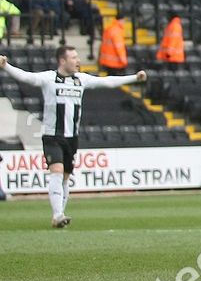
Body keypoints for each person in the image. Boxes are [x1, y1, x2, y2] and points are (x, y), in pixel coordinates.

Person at [0, 46, 146, 227]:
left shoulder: (81, 80)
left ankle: (60, 214)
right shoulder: (49, 78)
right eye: (73, 57)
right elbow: (26, 77)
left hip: (72, 138)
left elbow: (107, 82)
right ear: (62, 60)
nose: (78, 61)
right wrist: (6, 66)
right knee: (57, 171)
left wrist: (134, 78)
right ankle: (57, 215)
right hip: (52, 135)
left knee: (65, 177)